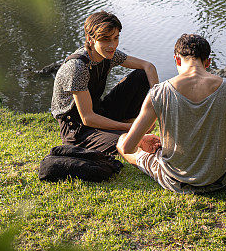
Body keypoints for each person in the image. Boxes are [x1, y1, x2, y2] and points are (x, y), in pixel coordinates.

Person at [117, 34, 226, 193]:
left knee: (121, 141)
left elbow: (128, 147)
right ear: (208, 62)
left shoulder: (159, 92)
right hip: (221, 179)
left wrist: (142, 140)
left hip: (173, 180)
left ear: (177, 60)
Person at [50, 11, 159, 156]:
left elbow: (148, 67)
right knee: (125, 143)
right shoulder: (77, 67)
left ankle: (125, 129)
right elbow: (87, 118)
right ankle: (127, 133)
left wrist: (157, 107)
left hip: (98, 110)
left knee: (141, 75)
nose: (112, 45)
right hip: (78, 129)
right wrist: (131, 128)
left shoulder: (109, 54)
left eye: (115, 38)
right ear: (90, 39)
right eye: (106, 39)